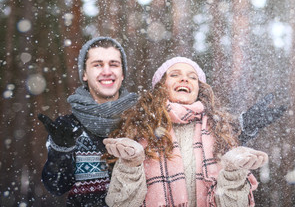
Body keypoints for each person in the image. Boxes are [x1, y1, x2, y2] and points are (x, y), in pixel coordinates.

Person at [103, 56, 269, 207]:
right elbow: (120, 203)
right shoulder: (141, 128)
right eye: (175, 74)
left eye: (192, 77)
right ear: (160, 85)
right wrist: (131, 165)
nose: (184, 79)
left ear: (199, 89)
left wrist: (233, 172)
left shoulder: (220, 131)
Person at [38, 37, 138, 206]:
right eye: (97, 64)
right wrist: (60, 152)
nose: (107, 71)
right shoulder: (67, 126)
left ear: (122, 74)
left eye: (113, 64)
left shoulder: (141, 121)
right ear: (84, 74)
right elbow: (56, 186)